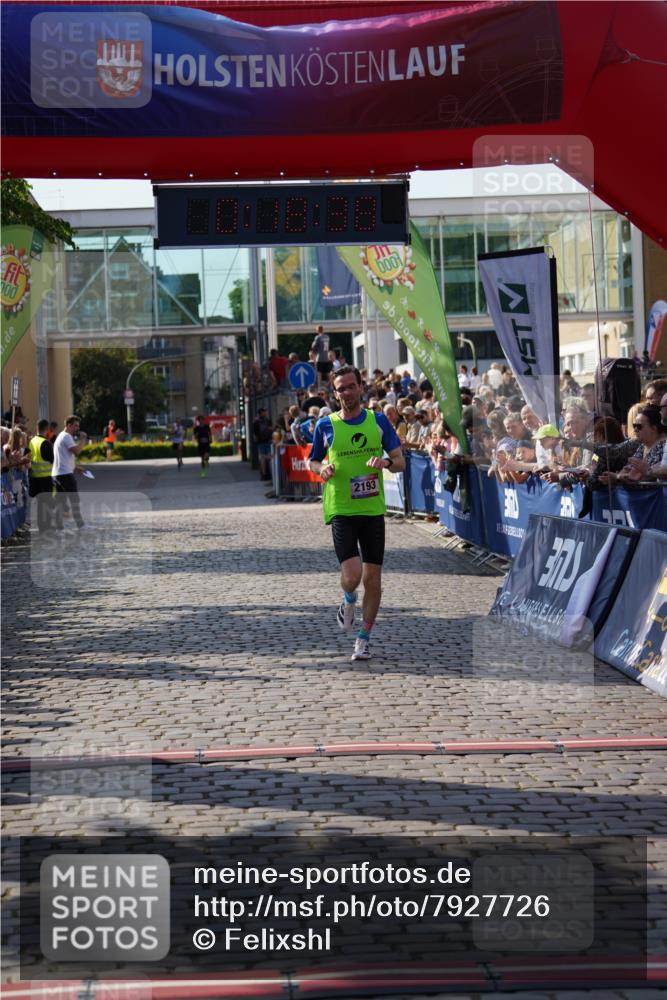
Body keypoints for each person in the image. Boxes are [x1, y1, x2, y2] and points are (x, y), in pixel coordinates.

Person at [307, 365, 405, 662]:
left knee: (373, 578)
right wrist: (321, 469)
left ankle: (363, 639)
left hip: (372, 508)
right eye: (341, 388)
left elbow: (400, 461)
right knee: (352, 576)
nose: (347, 392)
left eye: (351, 386)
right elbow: (312, 462)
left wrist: (385, 464)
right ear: (334, 394)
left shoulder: (377, 421)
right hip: (341, 507)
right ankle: (348, 598)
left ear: (360, 388)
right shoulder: (326, 425)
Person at [52, 415, 88, 530]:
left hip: (59, 473)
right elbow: (77, 451)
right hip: (64, 474)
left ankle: (59, 526)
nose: (77, 428)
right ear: (68, 425)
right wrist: (83, 439)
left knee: (61, 501)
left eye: (78, 426)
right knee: (74, 499)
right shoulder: (66, 436)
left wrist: (75, 467)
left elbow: (64, 457)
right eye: (75, 425)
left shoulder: (61, 436)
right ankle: (80, 525)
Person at [28, 418, 55, 531]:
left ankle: (42, 526)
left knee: (40, 504)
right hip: (45, 477)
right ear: (47, 429)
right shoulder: (45, 443)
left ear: (37, 427)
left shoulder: (32, 440)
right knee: (46, 504)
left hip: (34, 477)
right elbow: (52, 459)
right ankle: (46, 527)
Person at [252, 407, 273, 480]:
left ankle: (263, 474)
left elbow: (254, 433)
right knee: (270, 457)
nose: (266, 413)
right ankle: (271, 474)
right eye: (265, 411)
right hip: (267, 441)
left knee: (262, 458)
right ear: (262, 412)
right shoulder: (268, 420)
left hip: (260, 442)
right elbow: (271, 430)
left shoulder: (255, 421)